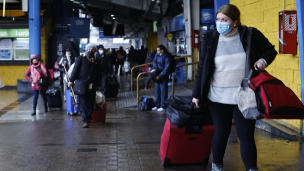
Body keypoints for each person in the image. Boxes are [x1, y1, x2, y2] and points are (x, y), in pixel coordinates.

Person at [191, 4, 277, 171]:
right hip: (217, 97)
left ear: (235, 21)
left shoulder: (250, 35)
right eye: (217, 19)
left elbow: (270, 51)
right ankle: (217, 165)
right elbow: (202, 68)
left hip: (245, 96)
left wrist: (262, 62)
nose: (220, 23)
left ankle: (252, 168)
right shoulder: (210, 38)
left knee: (246, 135)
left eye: (225, 20)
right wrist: (196, 94)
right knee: (221, 132)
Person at [68, 43, 102, 128]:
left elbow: (98, 73)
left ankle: (89, 118)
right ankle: (85, 120)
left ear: (95, 50)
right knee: (83, 102)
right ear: (86, 49)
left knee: (91, 102)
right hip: (82, 84)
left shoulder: (97, 60)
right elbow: (75, 70)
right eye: (89, 49)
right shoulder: (81, 58)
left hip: (92, 84)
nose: (91, 50)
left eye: (93, 49)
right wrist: (71, 80)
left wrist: (98, 85)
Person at [151, 45, 171, 112]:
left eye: (158, 50)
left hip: (163, 76)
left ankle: (163, 106)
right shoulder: (157, 55)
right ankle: (157, 105)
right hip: (157, 75)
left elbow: (167, 68)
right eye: (157, 50)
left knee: (163, 91)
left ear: (162, 50)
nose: (157, 51)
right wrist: (156, 73)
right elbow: (154, 63)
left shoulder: (167, 56)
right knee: (157, 91)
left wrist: (160, 75)